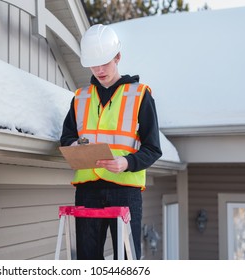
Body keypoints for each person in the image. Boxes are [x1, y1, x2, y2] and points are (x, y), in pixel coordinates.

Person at [60, 24, 162, 260]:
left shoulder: (139, 95)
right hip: (87, 191)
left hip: (124, 191)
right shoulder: (80, 98)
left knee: (126, 261)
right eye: (93, 65)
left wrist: (126, 163)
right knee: (87, 262)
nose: (99, 70)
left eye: (104, 63)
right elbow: (66, 137)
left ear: (118, 56)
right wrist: (74, 147)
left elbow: (153, 148)